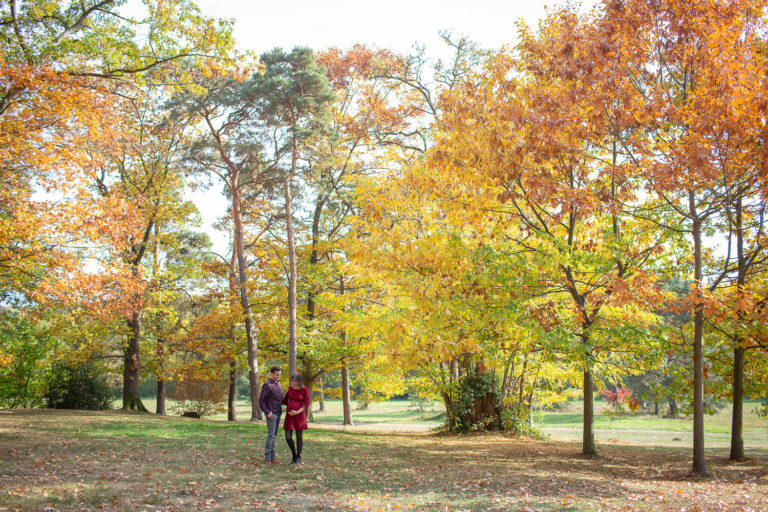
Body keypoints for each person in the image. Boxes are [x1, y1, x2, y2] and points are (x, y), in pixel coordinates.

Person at [282, 373, 310, 464]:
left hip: (299, 416)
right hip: (290, 416)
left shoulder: (305, 389)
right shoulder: (290, 388)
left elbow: (306, 404)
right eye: (292, 381)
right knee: (288, 436)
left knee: (299, 437)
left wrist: (297, 411)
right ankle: (294, 454)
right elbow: (285, 400)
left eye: (295, 381)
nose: (293, 383)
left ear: (299, 381)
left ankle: (298, 457)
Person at [259, 366, 282, 463]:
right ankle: (267, 458)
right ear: (272, 374)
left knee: (274, 435)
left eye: (280, 375)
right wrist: (267, 412)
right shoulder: (267, 385)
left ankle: (273, 457)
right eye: (277, 375)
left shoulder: (278, 384)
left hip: (278, 412)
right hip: (271, 414)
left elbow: (281, 398)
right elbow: (261, 401)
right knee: (271, 435)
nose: (278, 376)